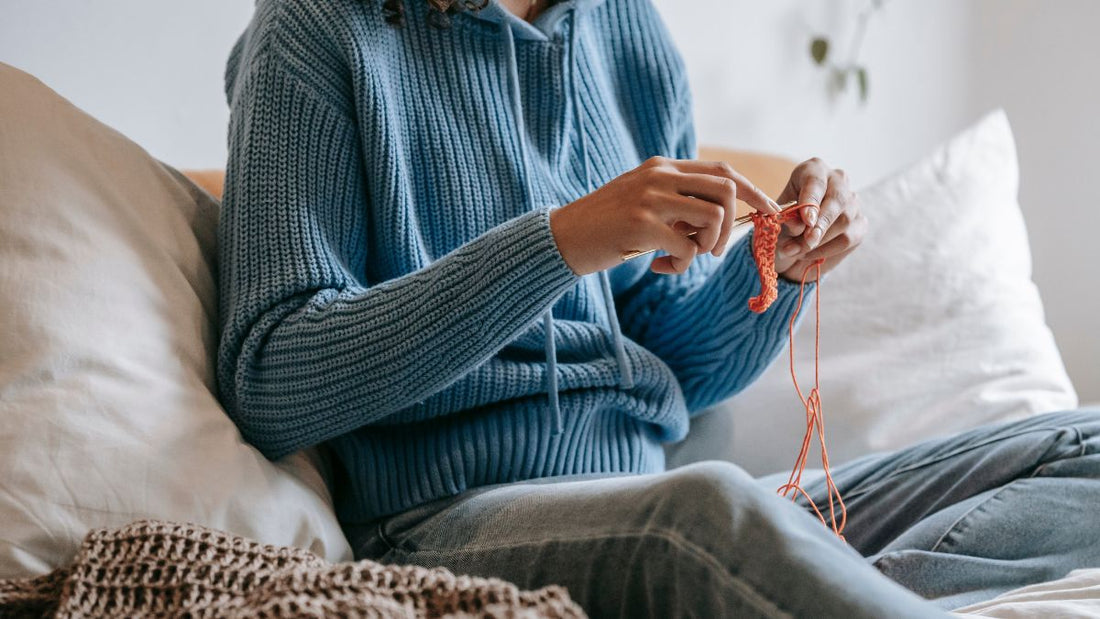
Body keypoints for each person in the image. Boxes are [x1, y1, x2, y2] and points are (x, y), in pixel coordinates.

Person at [217, 0, 1100, 616]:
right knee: (705, 518)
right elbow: (270, 375)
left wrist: (779, 268)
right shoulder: (314, 32)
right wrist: (561, 241)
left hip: (662, 499)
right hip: (446, 519)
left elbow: (674, 357)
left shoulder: (623, 26)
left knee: (1084, 442)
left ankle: (797, 585)